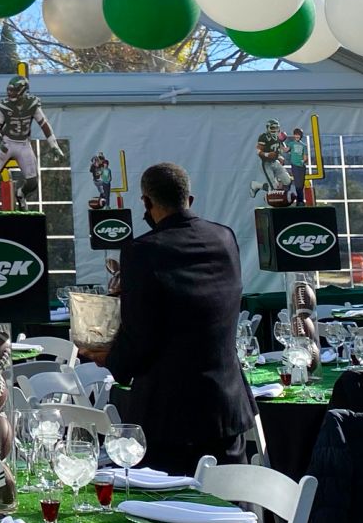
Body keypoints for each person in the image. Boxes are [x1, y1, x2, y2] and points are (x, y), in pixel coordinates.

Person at [105, 162, 255, 476]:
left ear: (146, 202)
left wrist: (111, 361)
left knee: (166, 515)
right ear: (190, 199)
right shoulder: (224, 238)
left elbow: (140, 334)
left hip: (167, 414)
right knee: (233, 511)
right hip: (225, 407)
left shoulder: (141, 251)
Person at [0, 75, 54, 206]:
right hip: (8, 142)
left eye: (14, 90)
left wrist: (53, 144)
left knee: (32, 182)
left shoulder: (32, 104)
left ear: (22, 90)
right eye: (9, 90)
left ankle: (21, 194)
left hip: (23, 145)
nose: (10, 93)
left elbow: (44, 123)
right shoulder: (5, 105)